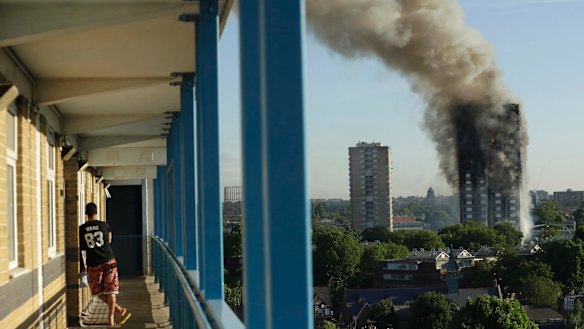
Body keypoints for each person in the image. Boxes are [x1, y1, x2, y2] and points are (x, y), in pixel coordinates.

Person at [79, 202, 131, 326]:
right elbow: (109, 239)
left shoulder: (82, 229)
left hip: (93, 263)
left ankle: (118, 311)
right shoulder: (104, 225)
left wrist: (82, 266)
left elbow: (81, 249)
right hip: (108, 259)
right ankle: (112, 317)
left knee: (96, 291)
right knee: (111, 290)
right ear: (96, 212)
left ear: (86, 214)